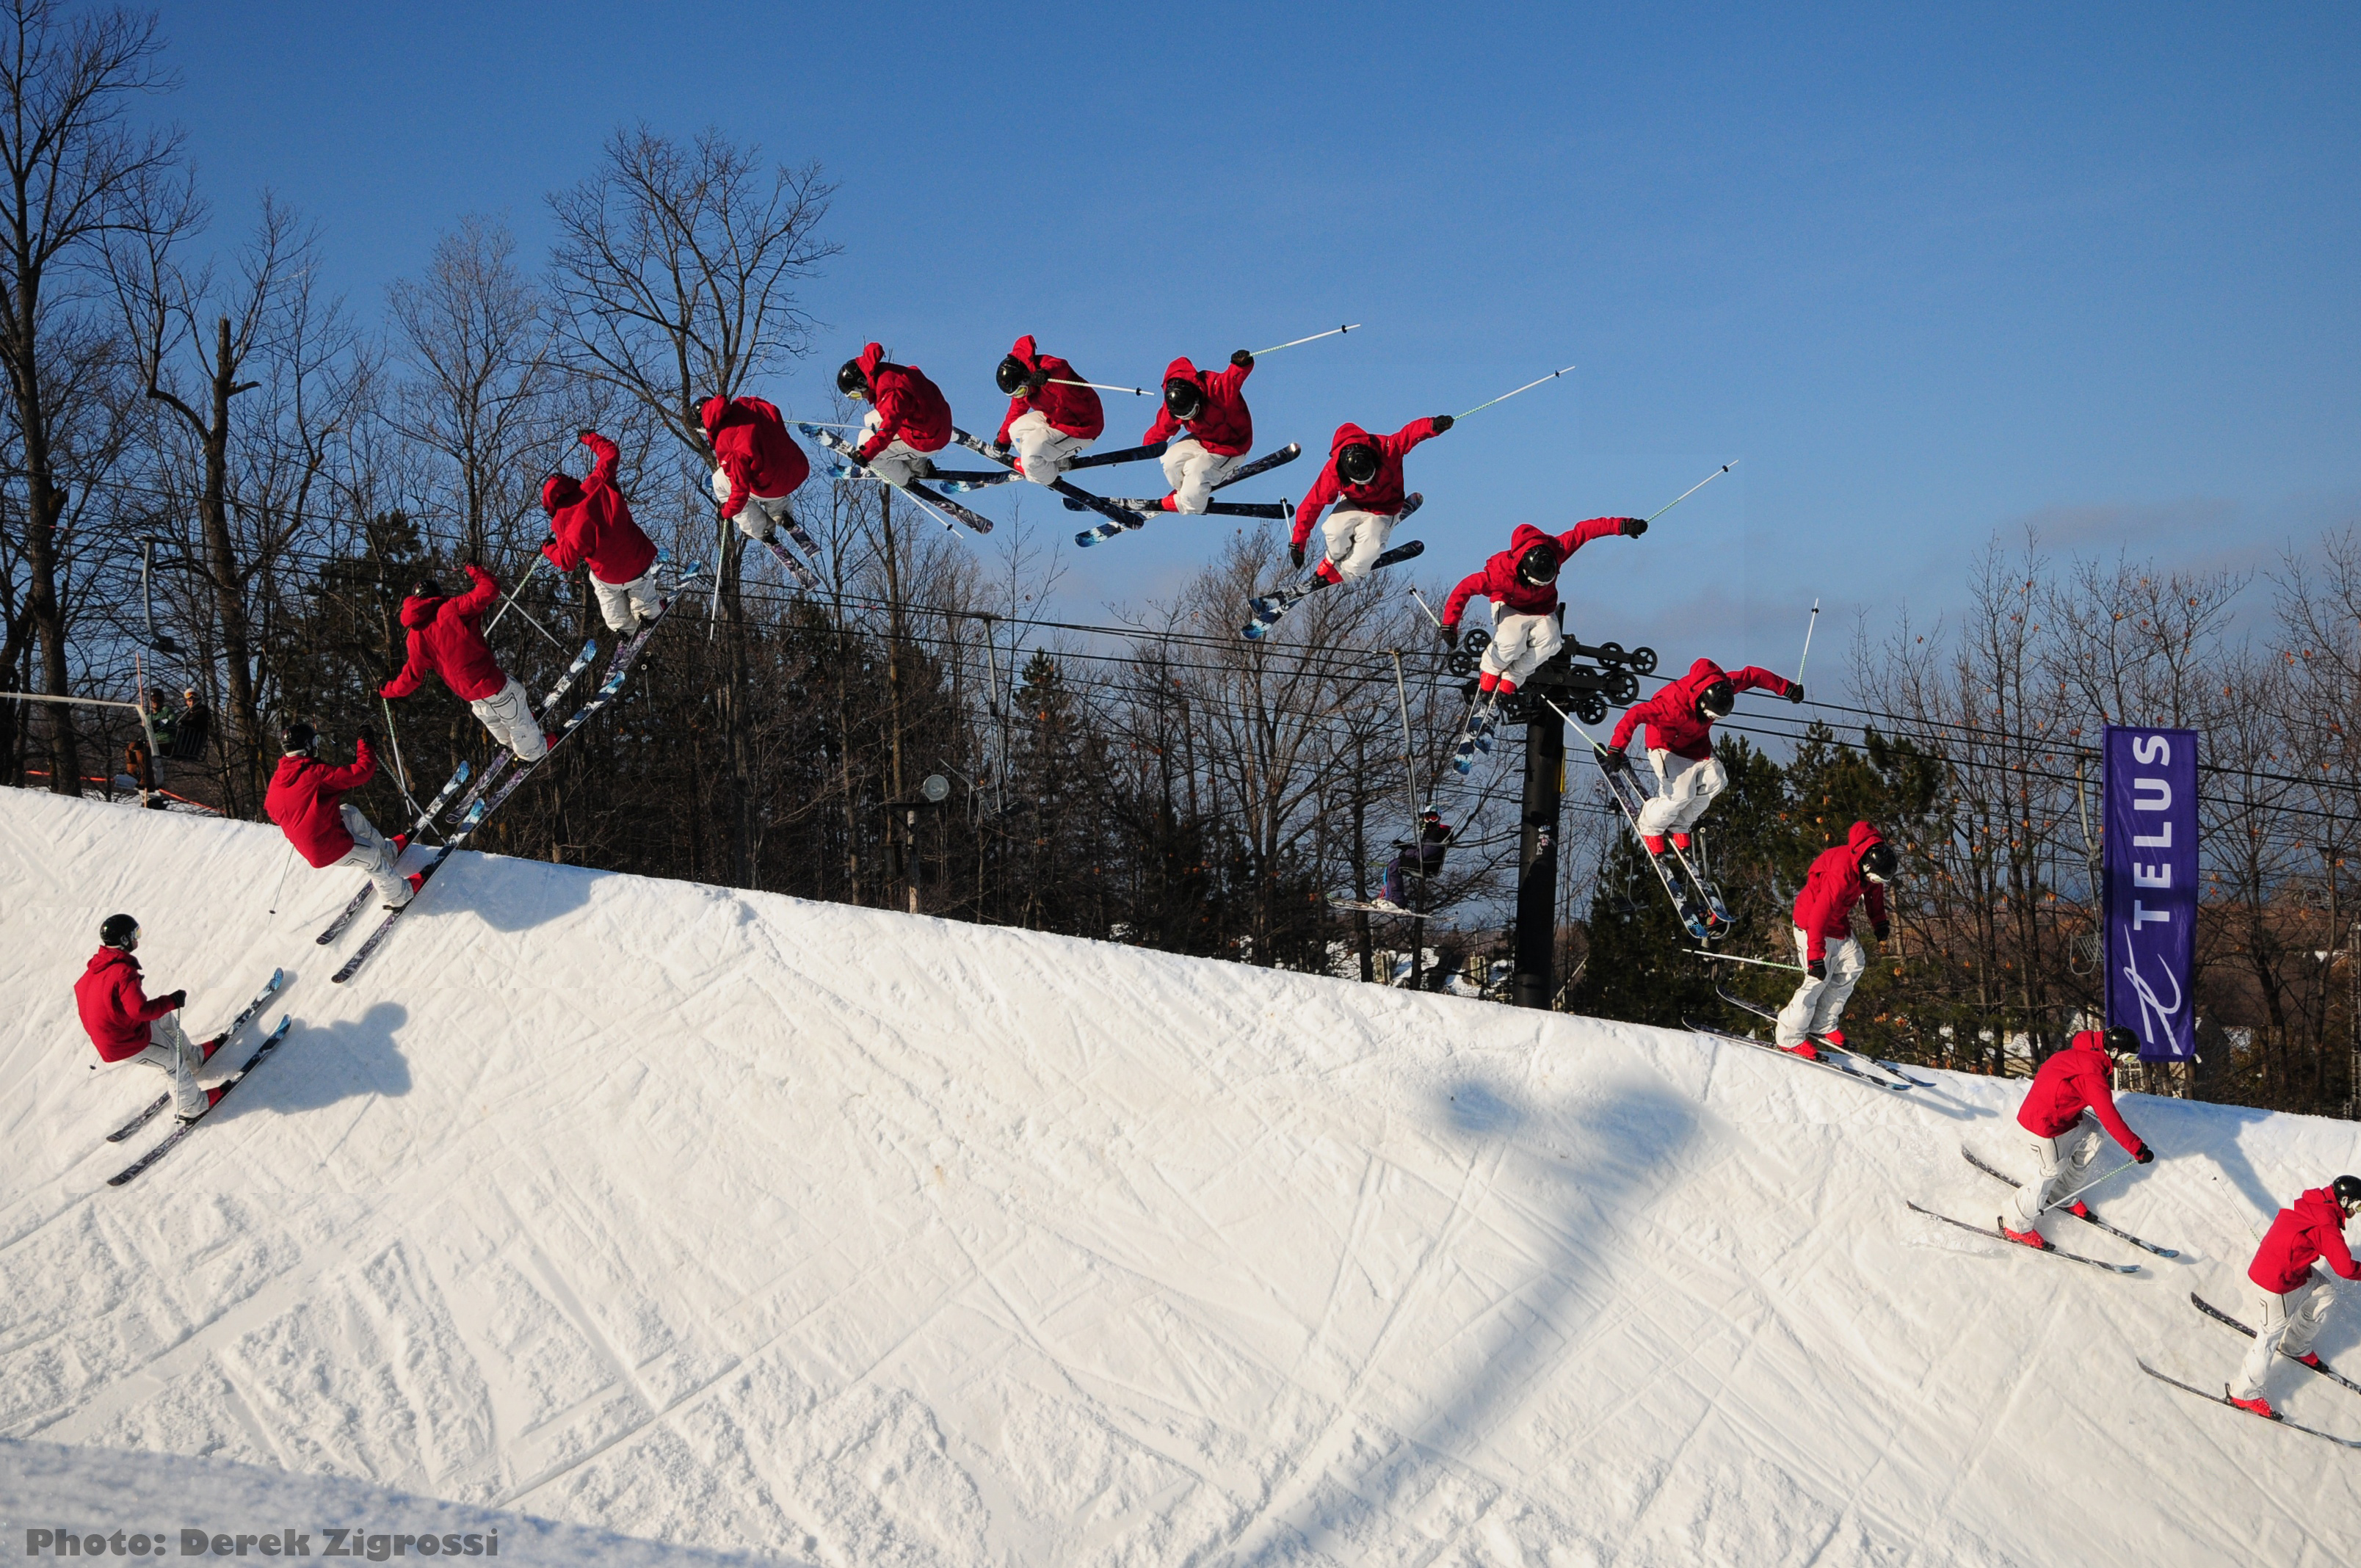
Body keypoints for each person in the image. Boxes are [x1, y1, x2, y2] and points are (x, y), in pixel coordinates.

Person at [1603, 656, 1803, 863]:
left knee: (1717, 780)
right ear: (1702, 701)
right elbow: (1634, 715)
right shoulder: (1671, 705)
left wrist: (1787, 689)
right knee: (1680, 795)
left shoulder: (1723, 685)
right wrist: (1617, 749)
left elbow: (1753, 675)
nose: (1712, 719)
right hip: (1666, 747)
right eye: (1710, 714)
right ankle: (1650, 825)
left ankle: (1680, 824)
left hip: (1697, 746)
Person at [1438, 518, 1648, 711]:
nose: (1539, 586)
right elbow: (1463, 590)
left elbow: (1585, 531)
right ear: (1525, 572)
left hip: (1542, 610)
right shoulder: (1499, 575)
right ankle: (1490, 673)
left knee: (1551, 642)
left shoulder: (1557, 549)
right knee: (1512, 641)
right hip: (1511, 607)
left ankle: (1512, 677)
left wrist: (1623, 525)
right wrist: (1450, 625)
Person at [1997, 1026, 2154, 1248]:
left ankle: (2062, 1194)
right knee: (2051, 1171)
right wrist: (2137, 1149)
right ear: (2114, 1051)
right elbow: (2110, 1118)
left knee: (2094, 1135)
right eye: (2127, 1059)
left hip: (2063, 1118)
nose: (2125, 1065)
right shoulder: (2092, 1074)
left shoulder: (2089, 1053)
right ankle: (2015, 1223)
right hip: (2044, 1124)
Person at [380, 563, 548, 764]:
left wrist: (386, 690)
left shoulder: (415, 637)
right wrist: (475, 569)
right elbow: (490, 590)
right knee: (520, 721)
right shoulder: (450, 608)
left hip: (471, 696)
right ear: (437, 593)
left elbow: (411, 680)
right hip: (492, 684)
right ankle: (532, 751)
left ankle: (517, 737)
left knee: (502, 728)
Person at [2229, 1175, 2361, 1419]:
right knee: (2269, 1336)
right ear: (2345, 1200)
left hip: (2290, 1268)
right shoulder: (2326, 1224)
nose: (2358, 1212)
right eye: (2359, 1206)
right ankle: (2243, 1393)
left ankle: (2295, 1346)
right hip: (2277, 1280)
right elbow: (2346, 1268)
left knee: (2324, 1292)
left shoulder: (2318, 1203)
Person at [73, 913, 217, 1121]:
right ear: (124, 940)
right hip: (124, 1042)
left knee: (164, 1019)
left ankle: (193, 1058)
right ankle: (192, 1106)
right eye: (135, 934)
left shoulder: (96, 969)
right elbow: (139, 1011)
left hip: (121, 1029)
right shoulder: (122, 972)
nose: (137, 938)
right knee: (171, 1061)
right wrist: (172, 1000)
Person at [265, 722, 420, 910]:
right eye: (315, 741)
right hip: (325, 847)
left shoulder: (278, 779)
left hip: (319, 836)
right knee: (371, 856)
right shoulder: (316, 773)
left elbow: (272, 811)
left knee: (350, 813)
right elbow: (361, 773)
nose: (317, 745)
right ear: (307, 745)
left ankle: (388, 853)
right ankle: (399, 896)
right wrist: (366, 743)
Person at [1774, 821, 1896, 1061]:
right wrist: (1816, 958)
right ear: (1867, 866)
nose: (1877, 883)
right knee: (1817, 979)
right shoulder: (1841, 874)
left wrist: (1879, 921)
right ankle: (1789, 1037)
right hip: (1812, 926)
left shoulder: (1868, 866)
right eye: (1877, 878)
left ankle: (1822, 1023)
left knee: (1854, 964)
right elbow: (1818, 915)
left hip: (1837, 924)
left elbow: (1874, 894)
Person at [1289, 415, 1451, 584]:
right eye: (1362, 481)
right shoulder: (1334, 471)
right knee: (1334, 529)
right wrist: (1298, 544)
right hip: (1354, 503)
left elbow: (1410, 433)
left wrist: (1433, 425)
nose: (1368, 483)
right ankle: (1332, 558)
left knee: (1370, 544)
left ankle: (1347, 571)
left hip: (1385, 509)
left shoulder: (1387, 448)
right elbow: (1311, 505)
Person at [542, 429, 664, 631]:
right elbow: (611, 453)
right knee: (640, 577)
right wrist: (589, 438)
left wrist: (548, 548)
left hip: (610, 576)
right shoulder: (597, 482)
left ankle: (622, 627)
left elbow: (567, 562)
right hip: (639, 558)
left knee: (600, 584)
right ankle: (648, 611)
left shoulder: (561, 523)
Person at [1141, 350, 1255, 513]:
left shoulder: (1215, 388)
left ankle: (1190, 503)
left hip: (1232, 446)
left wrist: (1241, 363)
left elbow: (1234, 376)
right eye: (1185, 417)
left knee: (1197, 471)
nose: (1191, 418)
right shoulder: (1173, 403)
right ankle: (1188, 493)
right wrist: (1143, 452)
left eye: (1193, 412)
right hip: (1203, 440)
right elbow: (1161, 429)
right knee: (1171, 461)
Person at [991, 335, 1103, 484]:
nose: (1021, 395)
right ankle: (1051, 462)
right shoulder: (1026, 390)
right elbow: (1015, 411)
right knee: (1016, 433)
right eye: (1015, 394)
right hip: (1055, 418)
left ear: (1026, 378)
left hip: (1080, 426)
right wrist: (1003, 440)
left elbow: (1061, 366)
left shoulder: (1048, 373)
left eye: (1020, 391)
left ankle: (1045, 475)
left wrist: (1046, 374)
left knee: (1032, 452)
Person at [701, 394, 813, 542]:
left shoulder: (728, 442)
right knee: (768, 467)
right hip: (797, 470)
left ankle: (761, 529)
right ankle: (782, 513)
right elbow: (771, 409)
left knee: (720, 482)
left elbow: (740, 493)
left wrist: (725, 513)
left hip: (770, 483)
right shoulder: (750, 406)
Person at [838, 343, 953, 485]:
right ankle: (917, 466)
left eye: (855, 395)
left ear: (862, 383)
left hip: (928, 438)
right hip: (935, 422)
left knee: (871, 451)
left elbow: (889, 428)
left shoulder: (890, 393)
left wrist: (866, 454)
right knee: (870, 420)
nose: (860, 398)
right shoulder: (886, 373)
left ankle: (904, 478)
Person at [1381, 809, 1451, 906]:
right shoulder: (1433, 833)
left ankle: (1396, 900)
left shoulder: (1437, 834)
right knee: (1394, 864)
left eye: (1433, 818)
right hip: (1426, 862)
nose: (1430, 821)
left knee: (1394, 866)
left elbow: (1423, 854)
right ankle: (1391, 897)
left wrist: (1407, 852)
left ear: (1438, 819)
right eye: (1428, 818)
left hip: (1426, 864)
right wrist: (1405, 847)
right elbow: (1422, 850)